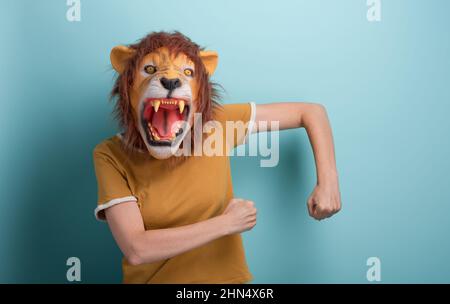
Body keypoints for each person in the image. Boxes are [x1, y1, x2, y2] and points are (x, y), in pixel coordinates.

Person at [93, 31, 341, 283]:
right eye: (149, 69)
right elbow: (137, 249)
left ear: (200, 93)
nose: (169, 79)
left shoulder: (218, 124)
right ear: (128, 85)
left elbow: (310, 112)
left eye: (188, 72)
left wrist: (328, 182)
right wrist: (228, 223)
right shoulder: (110, 155)